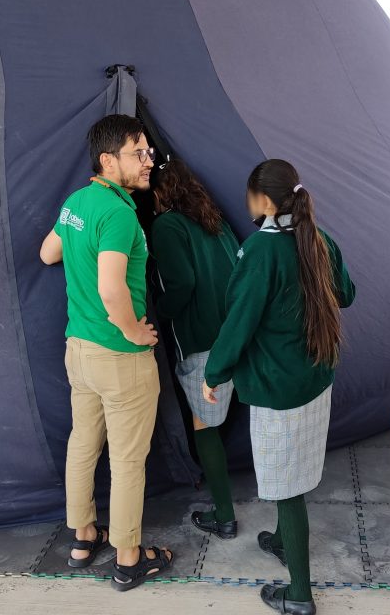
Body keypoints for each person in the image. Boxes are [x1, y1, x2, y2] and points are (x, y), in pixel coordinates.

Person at [203, 159, 355, 615]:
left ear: (265, 201)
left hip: (277, 388)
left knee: (288, 488)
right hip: (315, 378)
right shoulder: (319, 238)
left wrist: (215, 372)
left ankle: (301, 595)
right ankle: (283, 540)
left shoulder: (261, 250)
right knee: (297, 470)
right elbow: (346, 294)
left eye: (250, 195)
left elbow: (240, 320)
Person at [39, 114, 173, 591]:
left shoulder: (77, 203)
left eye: (148, 153)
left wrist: (77, 242)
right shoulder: (118, 213)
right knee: (127, 461)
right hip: (119, 358)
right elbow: (112, 288)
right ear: (107, 160)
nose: (148, 162)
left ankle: (82, 538)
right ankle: (129, 559)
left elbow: (47, 254)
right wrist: (136, 332)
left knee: (82, 444)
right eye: (138, 153)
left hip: (80, 352)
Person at [149, 159, 240, 540]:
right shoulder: (215, 221)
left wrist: (157, 315)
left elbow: (181, 282)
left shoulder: (167, 224)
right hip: (234, 336)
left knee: (204, 426)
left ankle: (224, 516)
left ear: (160, 194)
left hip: (201, 342)